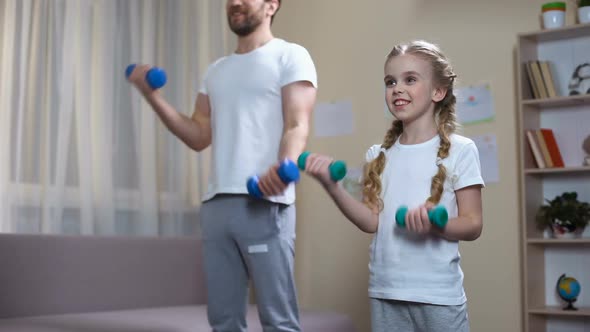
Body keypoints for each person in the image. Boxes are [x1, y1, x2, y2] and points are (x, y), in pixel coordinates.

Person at [127, 0, 317, 331]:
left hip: (264, 200)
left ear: (272, 5)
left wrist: (283, 167)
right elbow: (199, 135)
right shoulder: (216, 70)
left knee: (279, 321)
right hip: (216, 206)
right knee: (224, 321)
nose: (235, 2)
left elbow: (296, 124)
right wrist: (152, 97)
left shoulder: (291, 55)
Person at [302, 40, 484, 332]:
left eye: (410, 79)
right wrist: (331, 186)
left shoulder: (461, 150)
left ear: (438, 91)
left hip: (438, 296)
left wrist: (437, 225)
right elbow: (371, 221)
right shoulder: (378, 155)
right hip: (386, 292)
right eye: (390, 82)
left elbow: (473, 224)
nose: (397, 88)